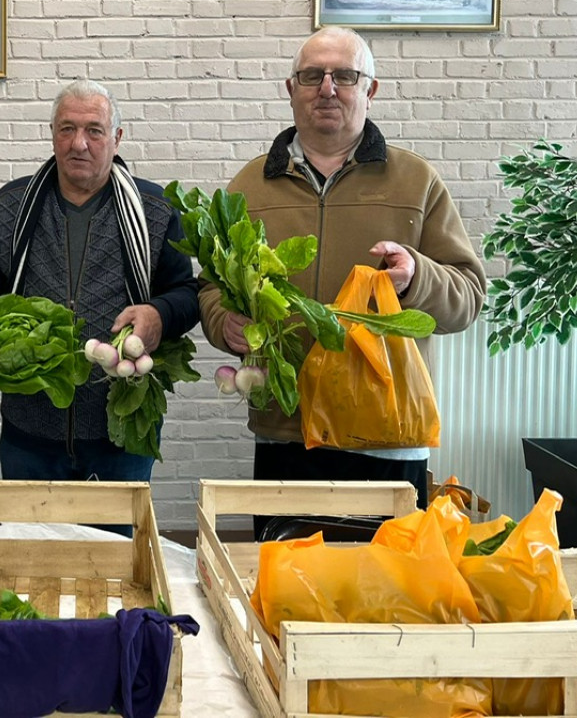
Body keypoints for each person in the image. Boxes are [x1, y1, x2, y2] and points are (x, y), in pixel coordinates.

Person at [199, 27, 487, 534]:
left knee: (389, 586)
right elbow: (211, 286)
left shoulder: (416, 182)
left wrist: (417, 278)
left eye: (345, 76)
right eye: (312, 76)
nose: (327, 88)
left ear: (369, 89)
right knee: (286, 584)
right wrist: (225, 323)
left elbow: (467, 297)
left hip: (387, 435)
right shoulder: (247, 186)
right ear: (292, 89)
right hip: (287, 431)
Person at [0, 79, 200, 482]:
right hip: (29, 431)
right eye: (67, 129)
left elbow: (187, 293)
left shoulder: (155, 210)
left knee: (117, 545)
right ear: (53, 134)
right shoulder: (10, 206)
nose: (79, 143)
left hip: (121, 429)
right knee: (31, 544)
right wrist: (2, 337)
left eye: (94, 130)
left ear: (117, 138)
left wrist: (159, 315)